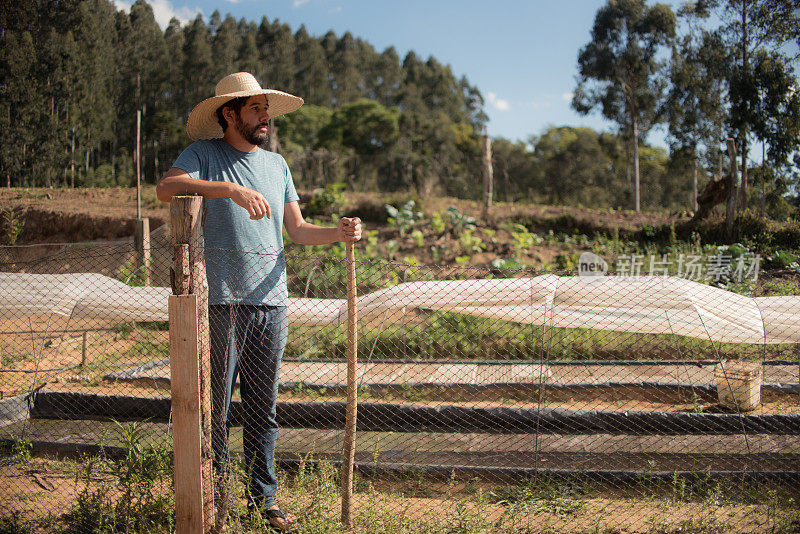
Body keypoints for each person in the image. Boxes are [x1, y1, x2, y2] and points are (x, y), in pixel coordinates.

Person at [156, 72, 361, 531]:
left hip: (271, 302)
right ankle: (217, 497)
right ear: (229, 114)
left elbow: (299, 231)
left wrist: (339, 233)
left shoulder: (277, 166)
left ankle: (263, 498)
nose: (265, 116)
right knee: (216, 407)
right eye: (256, 109)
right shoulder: (205, 155)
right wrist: (227, 188)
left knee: (263, 408)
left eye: (266, 109)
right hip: (221, 302)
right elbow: (167, 189)